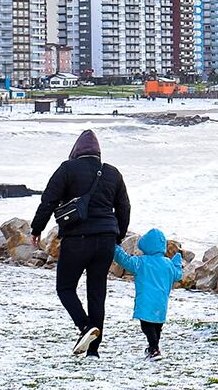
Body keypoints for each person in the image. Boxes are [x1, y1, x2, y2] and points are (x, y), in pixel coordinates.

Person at [30, 129, 132, 357]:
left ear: (76, 151)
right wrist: (118, 236)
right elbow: (124, 208)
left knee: (65, 288)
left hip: (77, 240)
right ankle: (93, 351)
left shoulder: (67, 169)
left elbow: (49, 200)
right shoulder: (112, 173)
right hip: (105, 240)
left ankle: (85, 327)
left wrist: (37, 228)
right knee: (97, 293)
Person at [112, 229, 186, 359]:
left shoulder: (141, 262)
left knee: (147, 326)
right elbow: (177, 275)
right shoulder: (168, 264)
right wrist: (177, 261)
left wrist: (115, 248)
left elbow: (125, 261)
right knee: (157, 326)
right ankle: (153, 347)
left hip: (145, 302)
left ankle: (154, 349)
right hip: (161, 303)